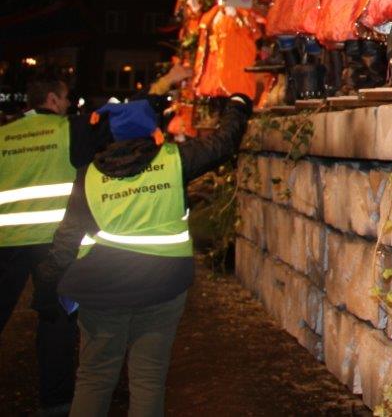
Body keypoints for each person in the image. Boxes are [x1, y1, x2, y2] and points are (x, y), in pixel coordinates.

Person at [34, 75, 252, 417]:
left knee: (94, 378)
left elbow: (66, 240)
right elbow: (223, 144)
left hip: (102, 288)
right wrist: (237, 105)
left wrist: (47, 284)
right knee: (149, 379)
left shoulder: (89, 176)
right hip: (163, 284)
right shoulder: (175, 160)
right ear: (154, 131)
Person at [1, 76, 112, 414]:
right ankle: (55, 401)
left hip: (6, 241)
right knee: (56, 318)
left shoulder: (4, 134)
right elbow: (115, 122)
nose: (67, 105)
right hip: (55, 242)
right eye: (64, 99)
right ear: (51, 99)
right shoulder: (70, 129)